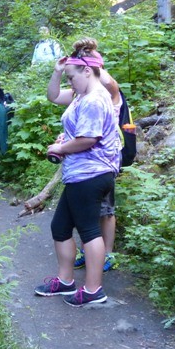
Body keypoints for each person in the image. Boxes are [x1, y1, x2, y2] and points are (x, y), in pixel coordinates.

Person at [33, 46, 120, 306]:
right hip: (79, 173)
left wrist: (60, 147)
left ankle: (94, 290)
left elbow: (89, 139)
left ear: (87, 70)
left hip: (91, 173)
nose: (70, 81)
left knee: (89, 231)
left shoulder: (94, 98)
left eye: (72, 76)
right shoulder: (82, 95)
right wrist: (58, 71)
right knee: (60, 227)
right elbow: (53, 96)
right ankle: (65, 281)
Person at [70, 38, 121, 273]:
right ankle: (89, 251)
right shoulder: (83, 92)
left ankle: (107, 254)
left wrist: (91, 57)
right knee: (90, 212)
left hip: (105, 159)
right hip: (87, 163)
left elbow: (111, 84)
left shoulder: (105, 90)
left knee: (106, 210)